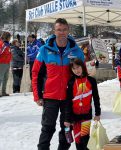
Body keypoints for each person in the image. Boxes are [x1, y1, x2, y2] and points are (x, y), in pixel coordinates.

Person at [32, 18, 85, 150]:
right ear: (54, 31)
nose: (62, 32)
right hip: (50, 96)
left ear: (68, 30)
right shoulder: (44, 50)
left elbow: (82, 75)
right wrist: (37, 96)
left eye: (64, 30)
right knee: (47, 128)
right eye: (59, 30)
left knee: (67, 128)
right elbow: (36, 74)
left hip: (70, 97)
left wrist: (83, 95)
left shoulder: (76, 51)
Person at [64, 58, 101, 150]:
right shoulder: (71, 82)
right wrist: (67, 119)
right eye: (74, 68)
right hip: (75, 117)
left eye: (78, 67)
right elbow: (68, 102)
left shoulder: (91, 81)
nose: (77, 70)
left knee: (85, 139)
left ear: (82, 67)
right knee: (78, 140)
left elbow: (96, 98)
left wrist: (97, 113)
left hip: (86, 115)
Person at [0, 31, 12, 97]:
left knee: (6, 78)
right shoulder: (2, 44)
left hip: (7, 62)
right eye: (9, 37)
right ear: (7, 37)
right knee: (0, 77)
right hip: (2, 63)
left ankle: (3, 92)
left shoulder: (7, 44)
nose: (10, 39)